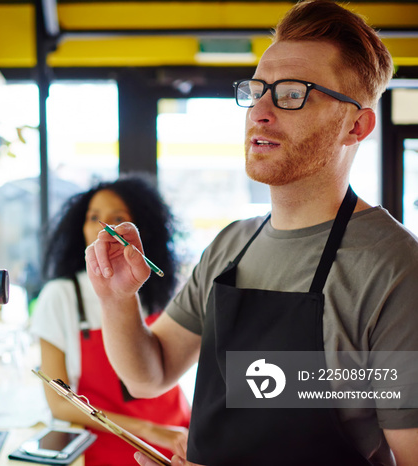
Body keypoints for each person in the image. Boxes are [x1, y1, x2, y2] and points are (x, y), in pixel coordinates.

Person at [85, 1, 418, 465]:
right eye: (257, 89)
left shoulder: (395, 269)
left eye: (292, 93)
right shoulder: (232, 244)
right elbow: (150, 374)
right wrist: (117, 298)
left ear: (355, 126)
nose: (259, 110)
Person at [30, 175, 191, 465]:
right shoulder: (62, 295)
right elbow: (59, 404)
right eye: (93, 217)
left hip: (183, 436)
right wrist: (151, 432)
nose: (103, 226)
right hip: (114, 447)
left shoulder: (160, 289)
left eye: (117, 217)